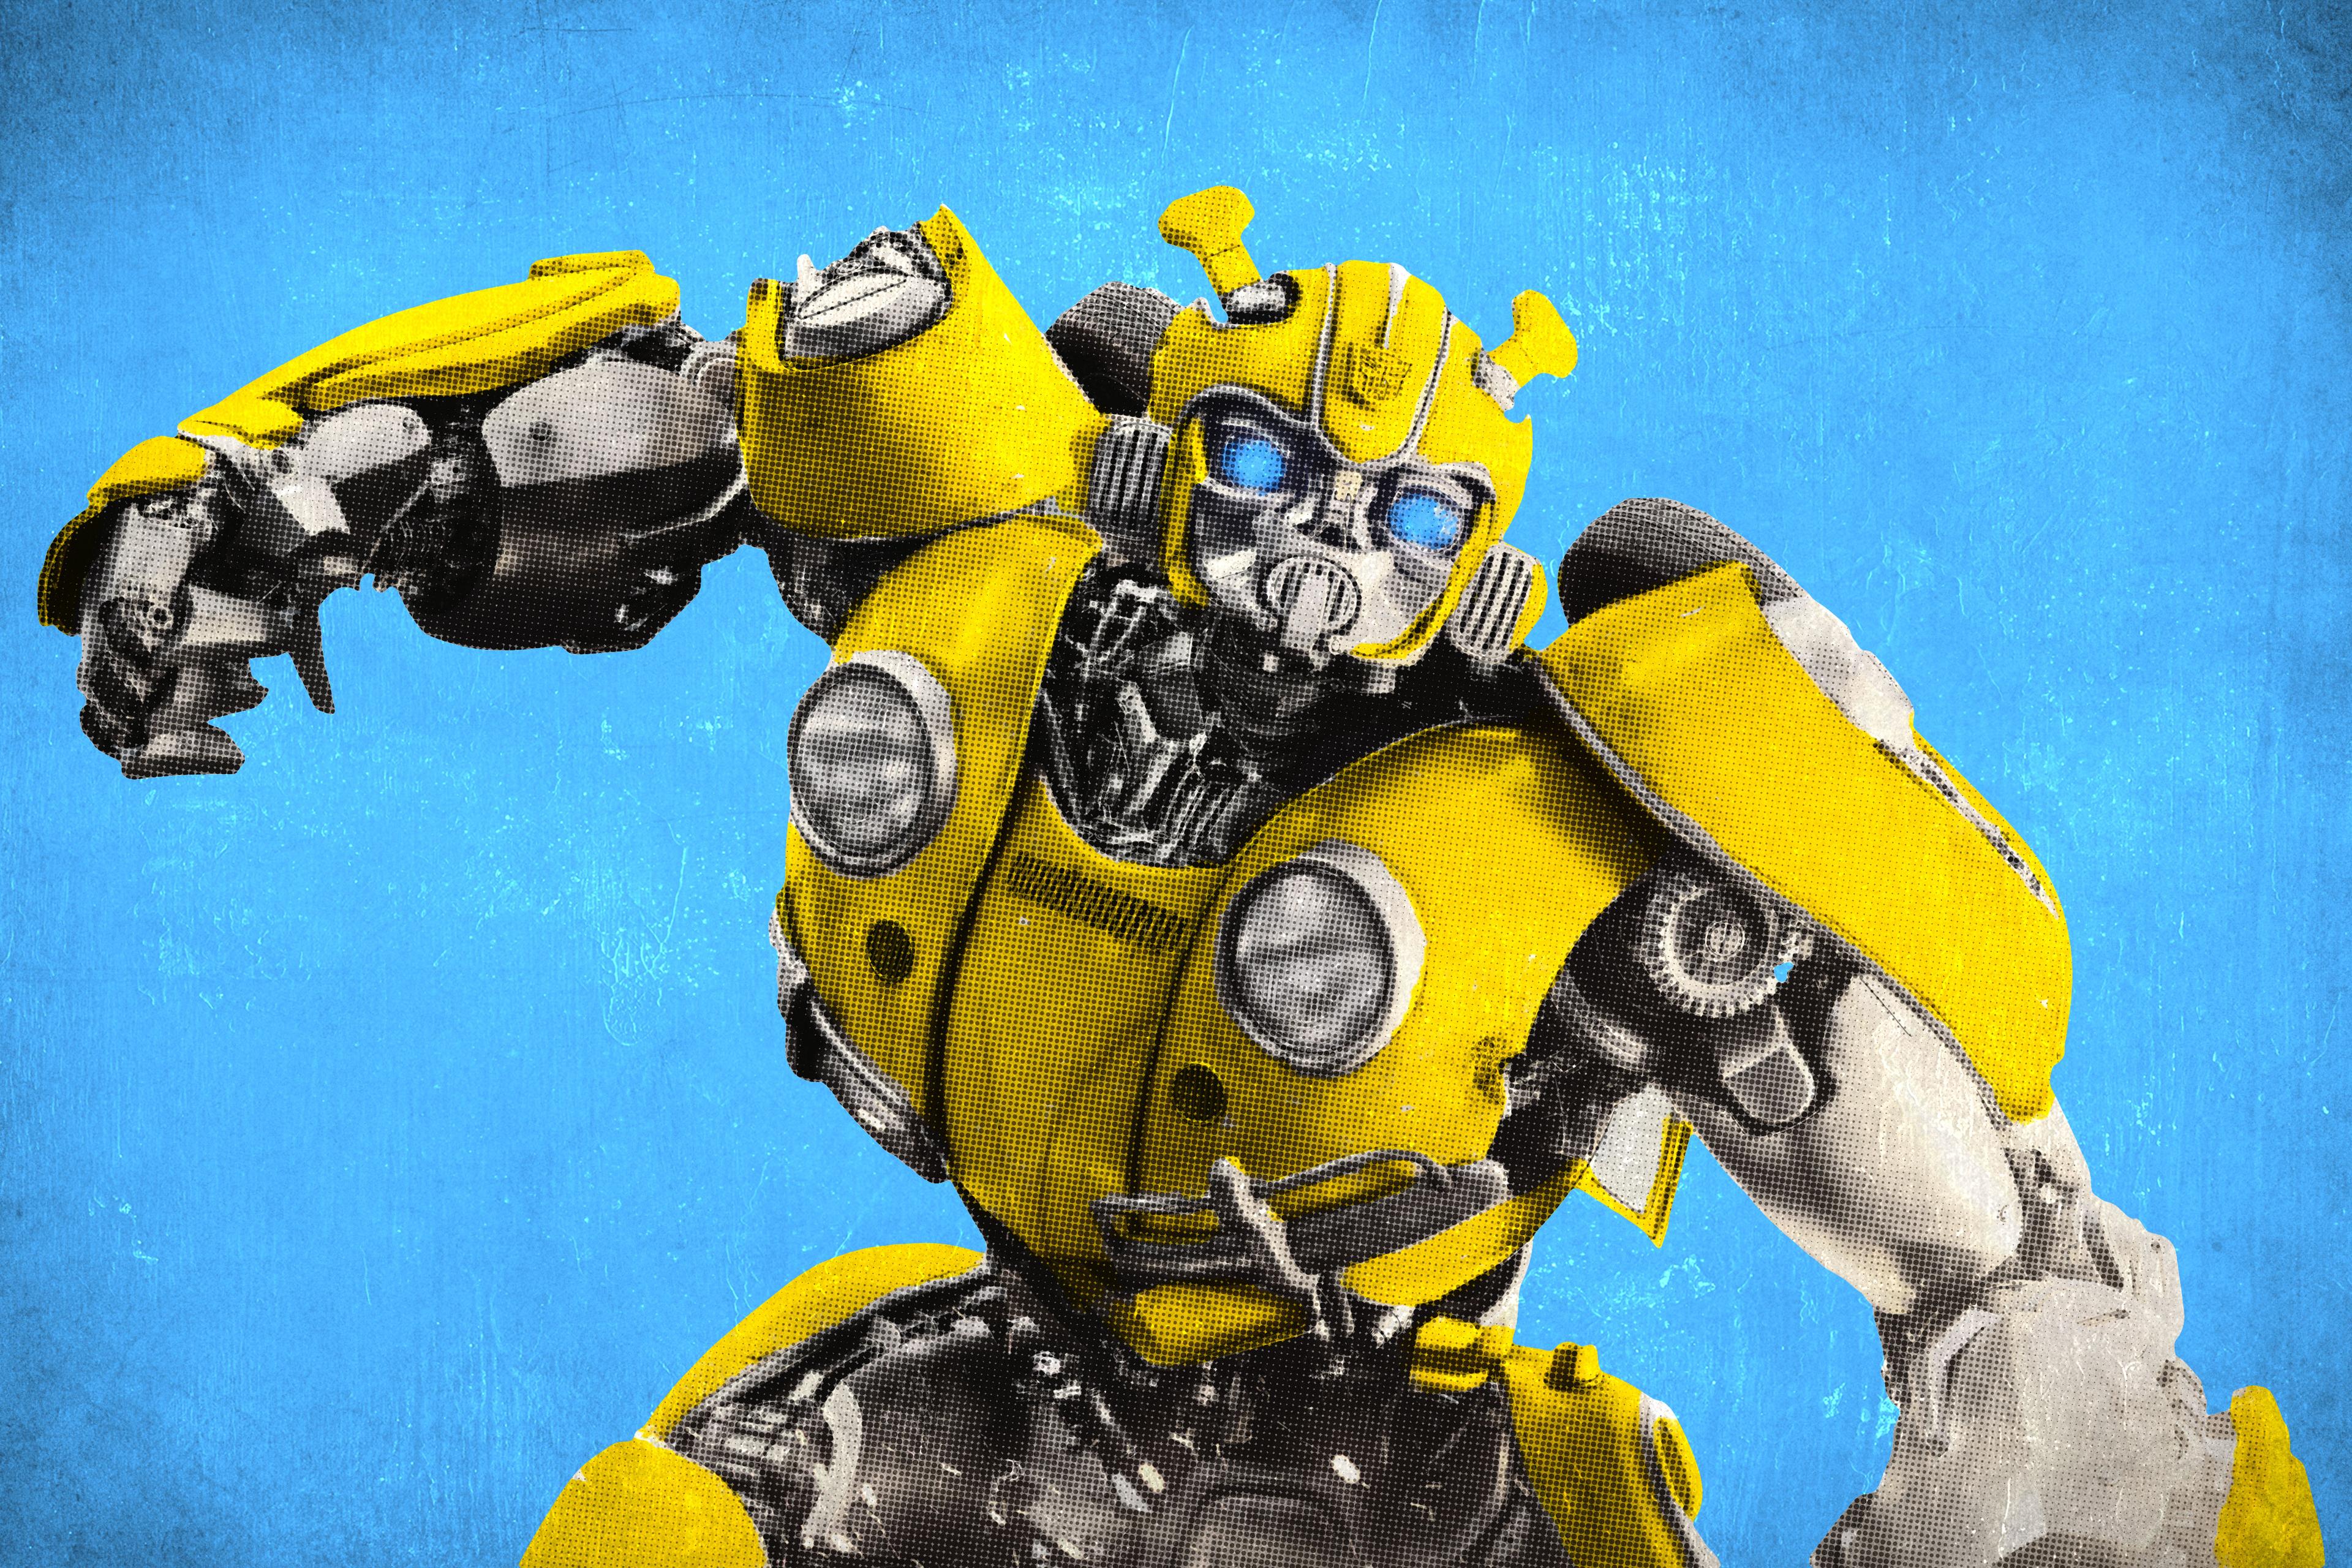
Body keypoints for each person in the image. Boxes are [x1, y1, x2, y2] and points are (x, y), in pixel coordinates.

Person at [37, 186, 2323, 1567]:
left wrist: (2054, 1493)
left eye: (1400, 522)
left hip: (1399, 1472)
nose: (1319, 559)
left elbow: (1990, 1269)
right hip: (1025, 1377)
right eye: (1266, 470)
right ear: (1168, 444)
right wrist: (267, 500)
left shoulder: (1561, 841)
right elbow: (682, 413)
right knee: (653, 1533)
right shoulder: (986, 589)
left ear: (1472, 552)